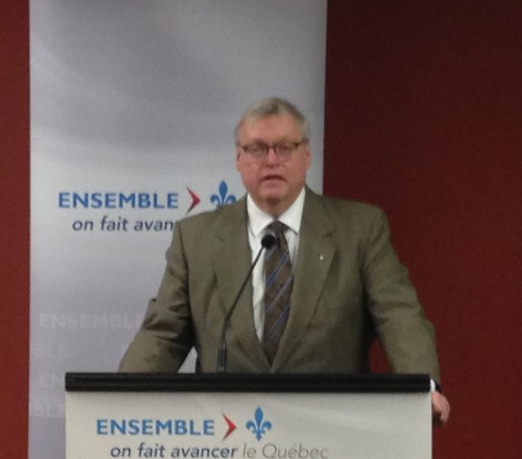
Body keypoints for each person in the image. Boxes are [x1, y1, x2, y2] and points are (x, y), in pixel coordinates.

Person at [119, 97, 450, 425]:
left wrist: (424, 388)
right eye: (257, 149)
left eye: (285, 148)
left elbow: (398, 314)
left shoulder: (360, 229)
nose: (271, 160)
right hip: (227, 432)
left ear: (306, 156)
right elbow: (164, 333)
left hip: (331, 429)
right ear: (238, 159)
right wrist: (119, 398)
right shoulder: (196, 238)